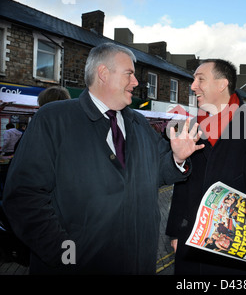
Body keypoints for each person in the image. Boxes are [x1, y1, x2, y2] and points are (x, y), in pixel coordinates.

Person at [2, 42, 204, 274]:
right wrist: (66, 255)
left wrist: (177, 158)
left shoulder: (139, 124)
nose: (136, 82)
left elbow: (159, 172)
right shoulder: (54, 120)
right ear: (103, 74)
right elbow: (23, 198)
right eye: (129, 74)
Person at [166, 59, 246, 275]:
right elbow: (182, 184)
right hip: (192, 240)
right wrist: (176, 232)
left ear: (222, 84)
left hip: (236, 245)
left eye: (200, 79)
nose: (193, 86)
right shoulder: (190, 126)